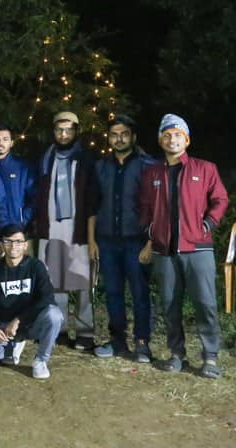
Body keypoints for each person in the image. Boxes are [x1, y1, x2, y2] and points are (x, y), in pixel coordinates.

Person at [139, 114, 229, 378]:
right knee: (169, 304)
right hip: (164, 250)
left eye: (178, 135)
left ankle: (210, 357)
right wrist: (151, 231)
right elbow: (143, 208)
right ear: (161, 141)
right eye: (167, 135)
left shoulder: (205, 168)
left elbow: (220, 199)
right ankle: (177, 354)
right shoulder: (152, 173)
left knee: (205, 303)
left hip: (198, 248)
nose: (172, 139)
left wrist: (207, 225)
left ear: (186, 140)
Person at [88, 116, 156, 362]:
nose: (119, 139)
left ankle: (142, 343)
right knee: (113, 293)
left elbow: (156, 207)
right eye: (114, 134)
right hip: (107, 240)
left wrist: (150, 243)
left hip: (136, 241)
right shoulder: (100, 167)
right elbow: (93, 205)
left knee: (140, 292)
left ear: (133, 137)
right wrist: (92, 240)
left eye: (124, 134)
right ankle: (117, 341)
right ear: (108, 138)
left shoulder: (147, 166)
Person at [33, 111, 96, 350]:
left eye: (69, 130)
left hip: (77, 228)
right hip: (50, 227)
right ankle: (57, 329)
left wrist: (92, 233)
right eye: (59, 130)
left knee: (82, 283)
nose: (63, 134)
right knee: (54, 282)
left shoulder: (86, 159)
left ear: (76, 132)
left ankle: (84, 333)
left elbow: (92, 196)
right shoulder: (44, 158)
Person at [0, 226, 63, 379]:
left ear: (25, 245)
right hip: (5, 326)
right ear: (1, 245)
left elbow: (47, 298)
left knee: (54, 315)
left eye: (18, 241)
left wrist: (18, 320)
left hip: (31, 322)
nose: (13, 246)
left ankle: (41, 360)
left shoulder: (36, 267)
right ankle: (12, 347)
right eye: (8, 241)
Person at [0, 124, 36, 231]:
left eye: (5, 139)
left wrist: (23, 221)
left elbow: (35, 198)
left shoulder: (23, 167)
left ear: (11, 143)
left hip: (17, 229)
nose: (0, 143)